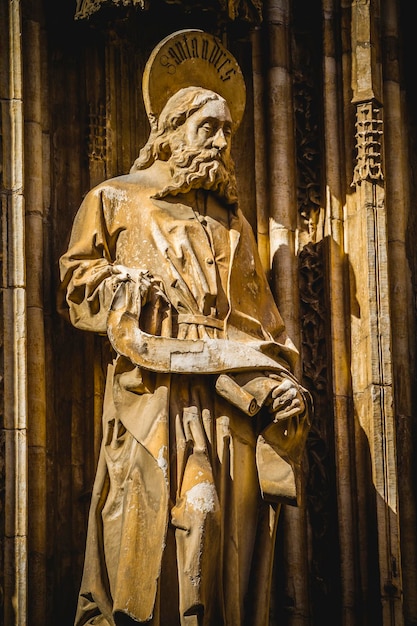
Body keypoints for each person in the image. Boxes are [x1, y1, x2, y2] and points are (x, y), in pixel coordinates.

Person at [59, 33, 311, 626]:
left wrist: (277, 379)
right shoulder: (116, 198)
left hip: (225, 395)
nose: (223, 144)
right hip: (152, 388)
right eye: (210, 129)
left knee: (218, 524)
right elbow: (77, 282)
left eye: (228, 132)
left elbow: (260, 322)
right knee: (161, 517)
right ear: (172, 131)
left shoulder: (232, 225)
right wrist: (123, 285)